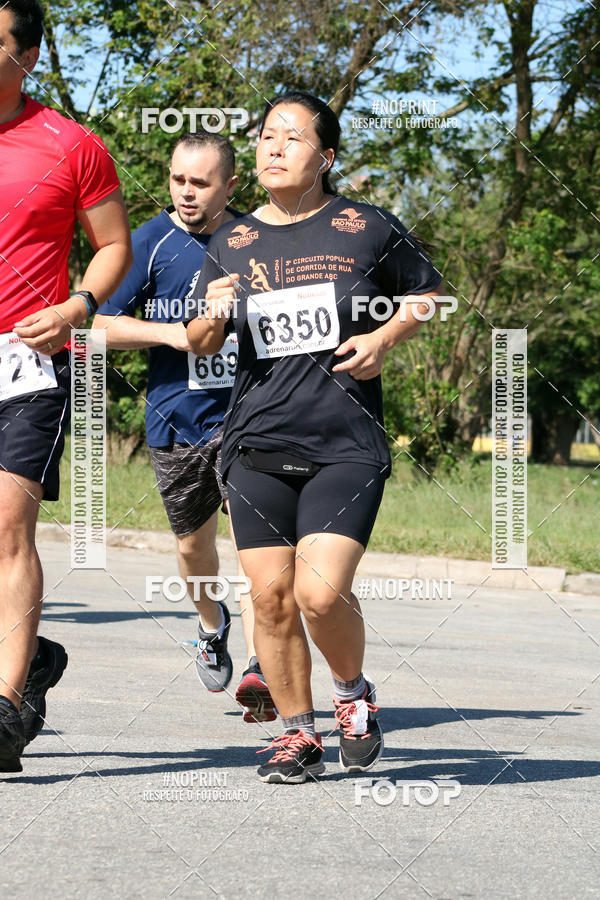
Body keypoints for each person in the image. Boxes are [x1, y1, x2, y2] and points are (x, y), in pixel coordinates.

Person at [186, 91, 443, 783]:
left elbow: (429, 294)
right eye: (267, 136)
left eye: (292, 138)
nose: (273, 147)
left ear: (326, 157)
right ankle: (297, 734)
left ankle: (353, 697)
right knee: (269, 597)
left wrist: (387, 335)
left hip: (344, 440)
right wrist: (211, 314)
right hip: (256, 443)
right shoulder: (231, 241)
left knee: (320, 593)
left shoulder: (364, 226)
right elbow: (202, 340)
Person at [93, 132, 275, 723]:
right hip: (178, 421)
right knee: (194, 547)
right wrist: (180, 334)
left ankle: (260, 668)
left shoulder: (257, 239)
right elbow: (96, 325)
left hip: (252, 417)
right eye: (179, 180)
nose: (187, 192)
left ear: (232, 185)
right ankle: (210, 624)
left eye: (201, 182)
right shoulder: (149, 241)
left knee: (260, 551)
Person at [0, 0, 132, 773]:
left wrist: (79, 305)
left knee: (8, 528)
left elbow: (112, 245)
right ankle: (37, 654)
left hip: (27, 358)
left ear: (28, 57)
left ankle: (8, 704)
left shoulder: (72, 146)